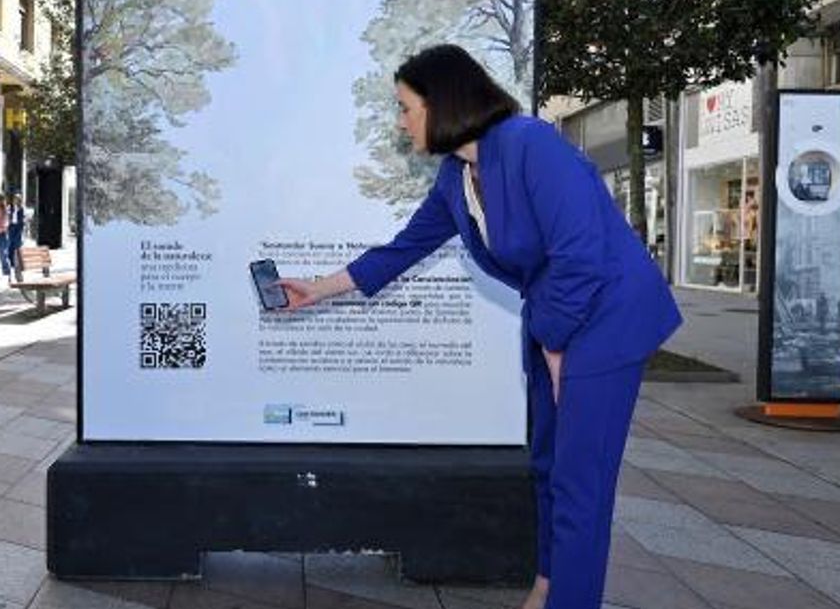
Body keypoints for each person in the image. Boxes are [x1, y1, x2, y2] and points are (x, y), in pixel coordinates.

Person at [276, 44, 681, 609]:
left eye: (405, 108)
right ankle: (548, 584)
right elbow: (404, 249)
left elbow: (581, 254)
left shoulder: (530, 143)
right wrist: (317, 288)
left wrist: (556, 345)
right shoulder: (457, 177)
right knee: (547, 465)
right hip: (555, 319)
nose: (401, 122)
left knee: (579, 483)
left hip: (606, 317)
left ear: (441, 102)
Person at [6, 193, 26, 281]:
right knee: (10, 247)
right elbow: (7, 216)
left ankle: (19, 266)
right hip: (11, 228)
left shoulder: (21, 209)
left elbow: (23, 220)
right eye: (15, 199)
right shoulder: (10, 208)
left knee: (17, 247)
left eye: (17, 199)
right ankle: (11, 265)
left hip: (18, 228)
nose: (15, 201)